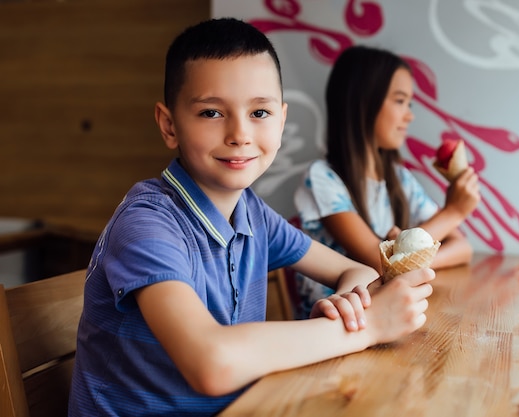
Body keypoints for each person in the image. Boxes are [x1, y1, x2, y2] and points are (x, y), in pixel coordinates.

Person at [67, 19, 436, 417]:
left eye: (259, 111)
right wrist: (369, 326)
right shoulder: (147, 224)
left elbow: (359, 272)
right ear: (169, 125)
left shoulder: (252, 214)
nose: (240, 133)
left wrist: (344, 308)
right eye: (211, 113)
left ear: (281, 119)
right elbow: (212, 363)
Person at [294, 45, 480, 318]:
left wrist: (410, 265)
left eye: (410, 103)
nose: (410, 114)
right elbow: (379, 263)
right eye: (400, 101)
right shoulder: (323, 179)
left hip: (387, 318)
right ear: (362, 102)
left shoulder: (400, 178)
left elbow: (463, 248)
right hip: (333, 327)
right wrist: (453, 212)